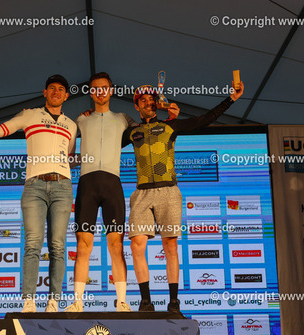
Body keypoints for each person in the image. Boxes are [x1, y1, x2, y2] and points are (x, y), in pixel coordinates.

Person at [123, 80, 244, 313]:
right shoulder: (131, 132)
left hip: (169, 190)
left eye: (151, 100)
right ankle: (146, 302)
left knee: (170, 245)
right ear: (137, 107)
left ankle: (173, 302)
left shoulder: (171, 126)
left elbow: (204, 119)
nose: (148, 103)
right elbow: (105, 135)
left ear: (157, 104)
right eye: (143, 101)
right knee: (137, 245)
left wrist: (231, 99)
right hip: (141, 192)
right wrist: (90, 114)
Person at [0, 75, 77, 313]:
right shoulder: (29, 115)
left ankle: (54, 302)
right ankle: (29, 301)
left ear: (66, 96)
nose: (56, 92)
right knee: (33, 244)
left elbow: (68, 156)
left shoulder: (72, 125)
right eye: (52, 88)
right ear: (44, 93)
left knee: (57, 246)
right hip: (34, 186)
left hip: (63, 187)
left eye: (61, 89)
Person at [66, 72, 178, 312]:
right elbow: (69, 156)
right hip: (86, 186)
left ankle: (123, 302)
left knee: (116, 246)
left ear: (111, 90)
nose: (100, 92)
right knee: (83, 246)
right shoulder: (81, 119)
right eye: (95, 88)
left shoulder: (124, 119)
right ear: (90, 92)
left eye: (104, 87)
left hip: (113, 185)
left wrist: (168, 114)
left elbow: (149, 126)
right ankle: (77, 302)